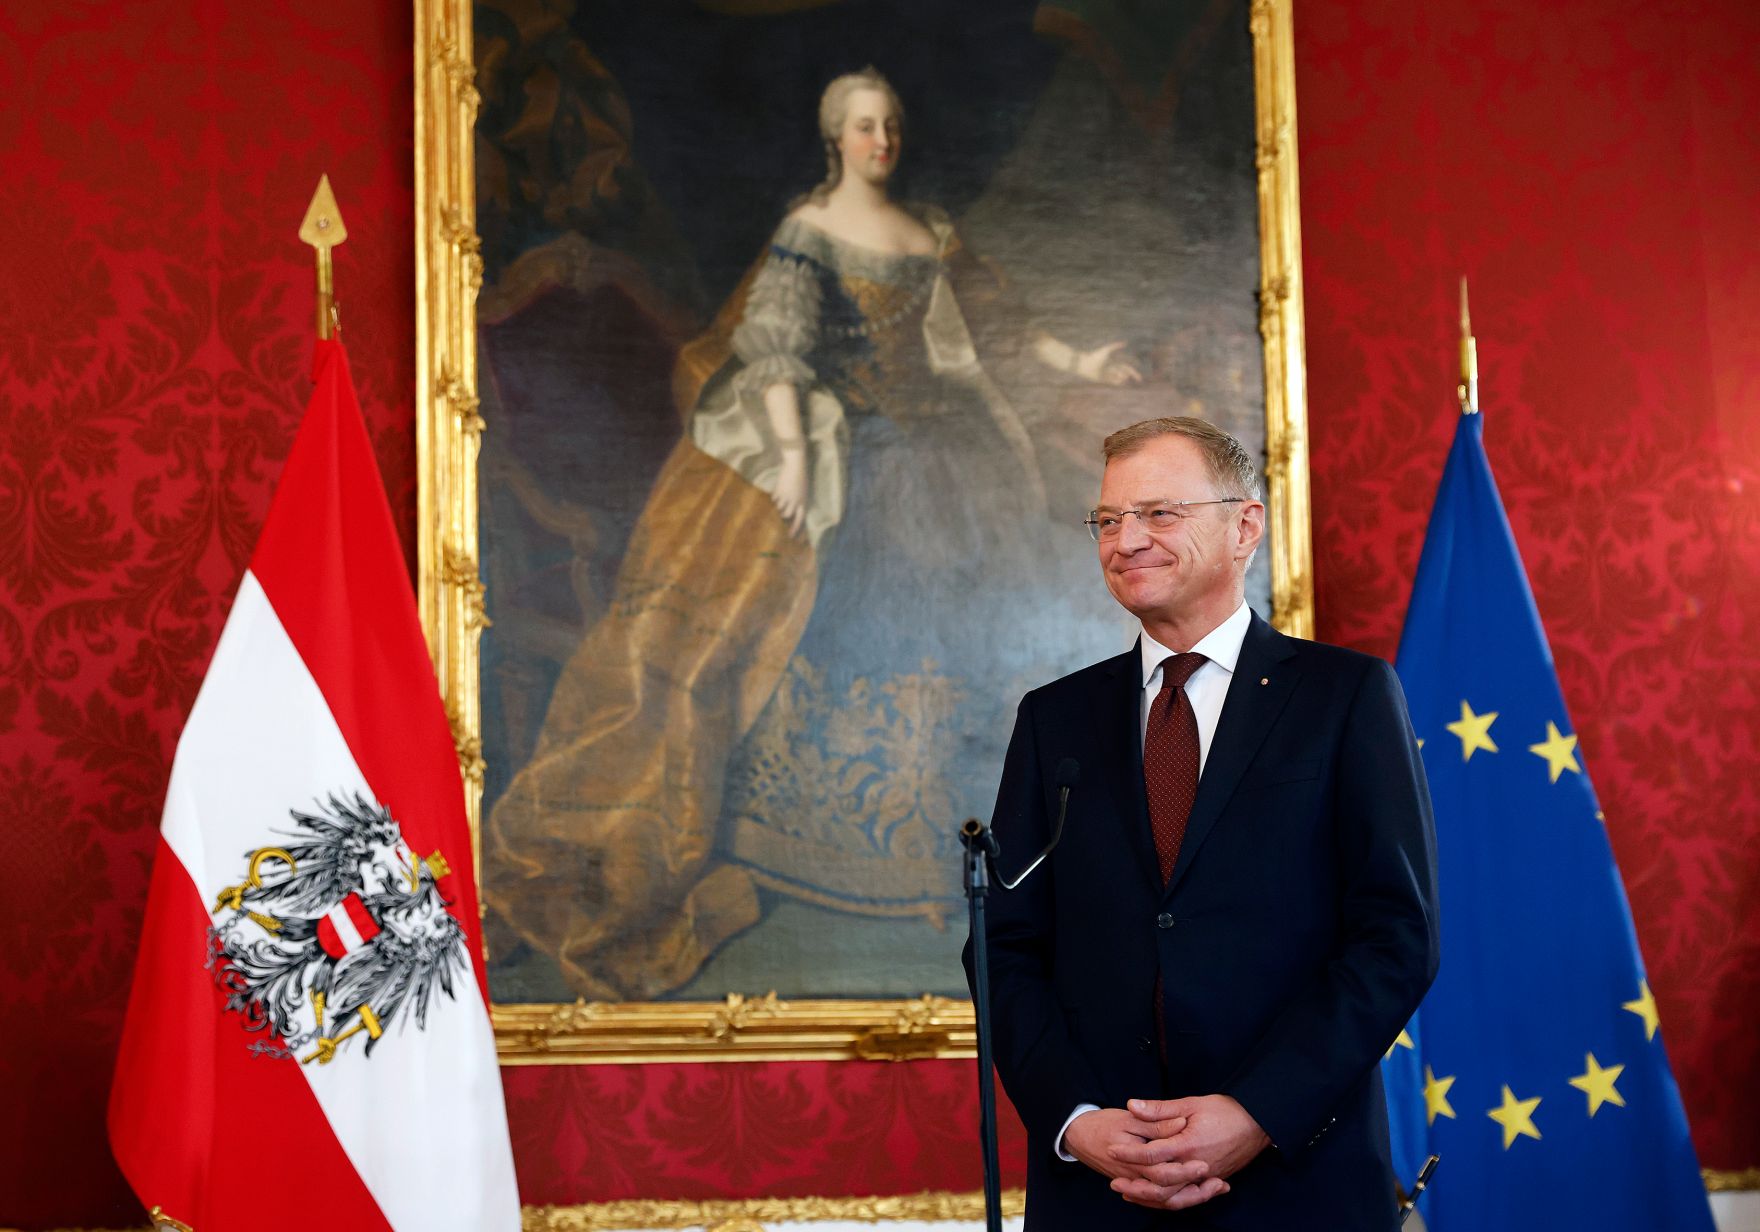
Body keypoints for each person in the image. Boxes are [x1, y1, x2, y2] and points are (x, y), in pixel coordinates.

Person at [486, 67, 1138, 999]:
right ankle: (823, 838)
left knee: (974, 601)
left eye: (892, 125)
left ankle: (951, 833)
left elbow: (997, 328)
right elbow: (777, 351)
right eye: (866, 127)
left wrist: (1085, 358)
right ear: (836, 138)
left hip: (949, 445)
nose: (883, 141)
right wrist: (792, 457)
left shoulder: (929, 232)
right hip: (855, 449)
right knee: (835, 591)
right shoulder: (810, 232)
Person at [965, 417, 1440, 1229]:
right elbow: (1004, 945)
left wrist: (1256, 1112)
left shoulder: (1345, 697)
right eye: (1108, 520)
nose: (1125, 540)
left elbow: (1395, 937)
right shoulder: (1055, 720)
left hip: (1297, 1180)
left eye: (1159, 513)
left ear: (1244, 526)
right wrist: (1079, 1122)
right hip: (1102, 1190)